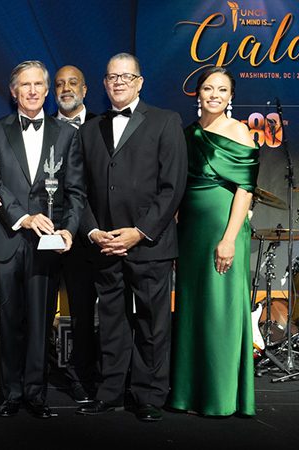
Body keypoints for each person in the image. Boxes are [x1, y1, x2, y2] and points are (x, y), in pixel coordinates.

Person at [76, 53, 187, 422]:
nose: (119, 82)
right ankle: (110, 391)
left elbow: (172, 187)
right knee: (110, 322)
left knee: (153, 323)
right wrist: (93, 231)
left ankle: (149, 394)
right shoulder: (89, 129)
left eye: (126, 76)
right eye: (111, 77)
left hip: (149, 243)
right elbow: (79, 189)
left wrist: (138, 233)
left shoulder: (166, 121)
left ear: (140, 82)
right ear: (104, 84)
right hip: (104, 244)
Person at [0, 61, 85, 419]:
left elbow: (75, 191)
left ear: (46, 89)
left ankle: (36, 395)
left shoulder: (67, 133)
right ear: (13, 91)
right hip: (7, 237)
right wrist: (23, 217)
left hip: (48, 242)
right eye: (25, 84)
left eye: (39, 83)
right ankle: (11, 393)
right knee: (8, 321)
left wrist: (69, 228)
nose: (32, 90)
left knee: (41, 321)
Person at [169, 67, 258, 417]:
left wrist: (230, 239)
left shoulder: (239, 132)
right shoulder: (187, 133)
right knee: (192, 312)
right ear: (198, 93)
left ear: (231, 96)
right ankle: (189, 394)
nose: (214, 95)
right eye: (208, 88)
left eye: (222, 89)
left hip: (224, 229)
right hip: (190, 232)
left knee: (220, 310)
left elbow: (245, 189)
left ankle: (220, 397)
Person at [52, 65, 98, 403]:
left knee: (83, 309)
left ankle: (82, 374)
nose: (66, 89)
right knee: (37, 310)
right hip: (41, 234)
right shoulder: (40, 125)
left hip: (86, 235)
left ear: (85, 89)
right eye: (60, 84)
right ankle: (37, 376)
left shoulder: (102, 126)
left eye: (73, 83)